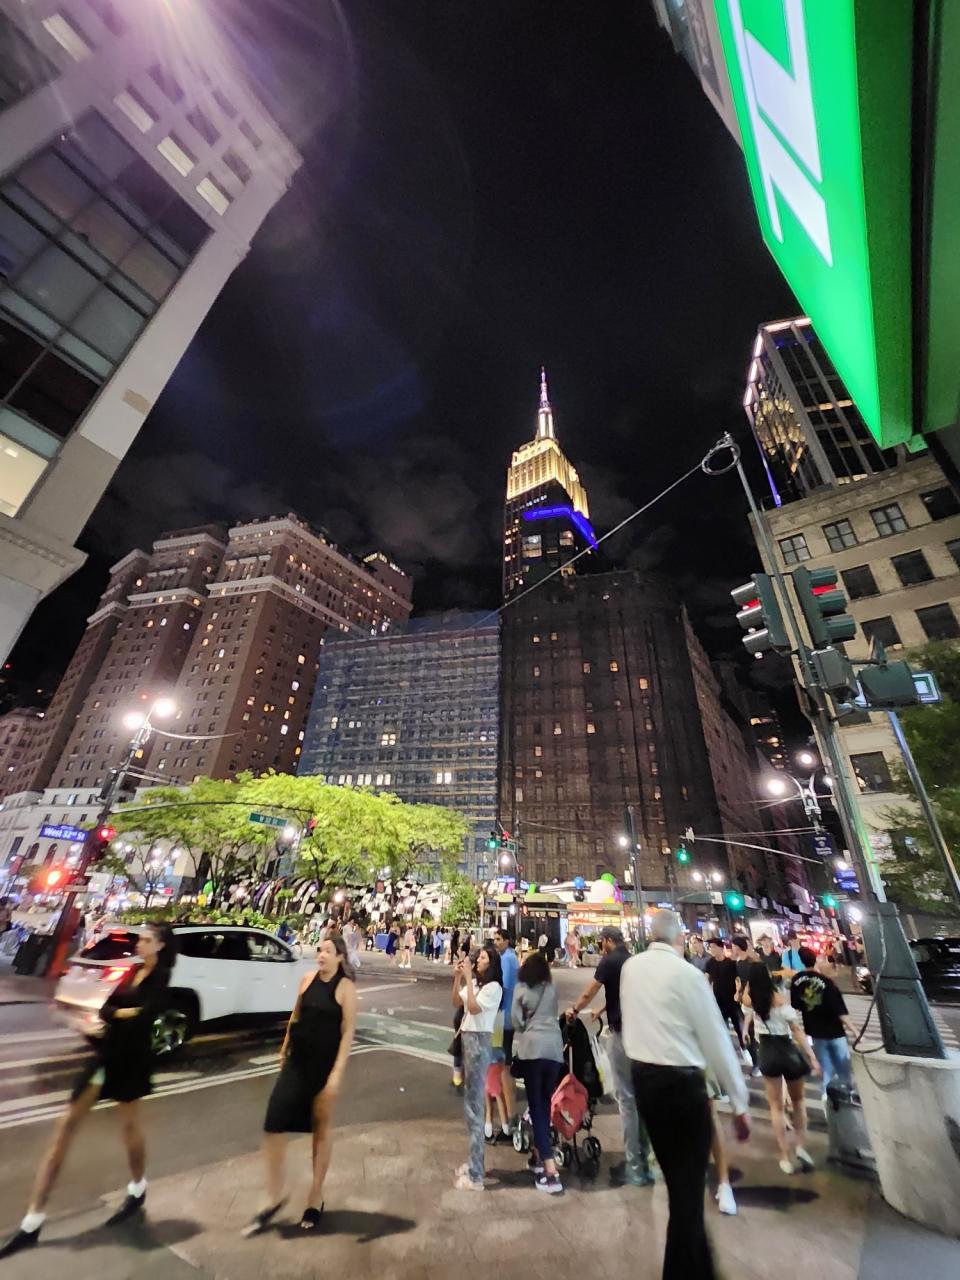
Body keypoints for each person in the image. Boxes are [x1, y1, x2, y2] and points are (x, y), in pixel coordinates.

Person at [1, 924, 177, 1257]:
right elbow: (108, 1007)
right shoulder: (134, 971)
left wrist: (120, 1014)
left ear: (161, 947)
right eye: (140, 938)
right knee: (64, 1131)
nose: (139, 943)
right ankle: (32, 1222)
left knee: (130, 1130)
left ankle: (138, 1188)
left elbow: (144, 1017)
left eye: (147, 939)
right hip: (104, 1056)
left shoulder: (160, 979)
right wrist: (118, 1013)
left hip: (130, 1063)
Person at [621, 910, 750, 1280]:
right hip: (682, 1087)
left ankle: (700, 1269)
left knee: (682, 1187)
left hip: (644, 1081)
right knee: (687, 1193)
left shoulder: (633, 969)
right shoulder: (688, 975)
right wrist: (739, 1103)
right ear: (680, 940)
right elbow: (717, 1042)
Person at [244, 933, 358, 1234]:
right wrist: (284, 1048)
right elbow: (295, 1015)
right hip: (296, 1064)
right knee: (273, 1123)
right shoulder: (307, 979)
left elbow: (347, 1033)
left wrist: (336, 1075)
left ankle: (315, 1195)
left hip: (323, 1067)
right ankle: (274, 1193)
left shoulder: (345, 988)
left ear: (340, 957)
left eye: (328, 951)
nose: (321, 955)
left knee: (320, 1130)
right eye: (319, 950)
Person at [566, 925, 653, 1187]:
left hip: (623, 1036)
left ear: (605, 942)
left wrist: (575, 1009)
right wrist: (602, 1009)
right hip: (643, 1036)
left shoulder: (609, 960)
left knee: (626, 1100)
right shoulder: (633, 960)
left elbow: (589, 990)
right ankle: (646, 1159)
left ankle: (635, 1166)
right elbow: (624, 993)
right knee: (642, 1099)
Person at [742, 962, 819, 1175]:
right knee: (798, 1101)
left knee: (776, 1107)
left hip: (767, 1052)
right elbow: (796, 1030)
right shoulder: (780, 1000)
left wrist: (751, 982)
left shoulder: (751, 1001)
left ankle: (784, 1157)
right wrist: (811, 1056)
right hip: (787, 1050)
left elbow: (745, 996)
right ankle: (800, 1146)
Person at [512, 949, 565, 1193]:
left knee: (537, 1108)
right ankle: (537, 1156)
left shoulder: (521, 989)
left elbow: (517, 1022)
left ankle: (550, 1172)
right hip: (554, 1051)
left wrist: (528, 1024)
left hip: (533, 1051)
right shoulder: (551, 989)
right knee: (544, 1104)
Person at [452, 943, 503, 1190]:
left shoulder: (494, 988)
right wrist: (458, 978)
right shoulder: (480, 986)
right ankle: (475, 1163)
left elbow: (472, 1007)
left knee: (475, 1107)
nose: (478, 961)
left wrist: (470, 978)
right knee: (471, 1107)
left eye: (483, 958)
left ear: (491, 964)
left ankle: (476, 1176)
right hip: (469, 1040)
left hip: (479, 1043)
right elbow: (456, 1002)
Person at [790, 945, 854, 1092]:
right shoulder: (827, 981)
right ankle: (849, 1092)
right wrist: (855, 1032)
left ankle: (828, 1097)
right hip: (835, 1030)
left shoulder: (796, 980)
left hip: (814, 1030)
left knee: (825, 1067)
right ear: (816, 960)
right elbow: (839, 1010)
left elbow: (796, 1004)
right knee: (843, 1066)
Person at [705, 938, 750, 1064]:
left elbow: (737, 980)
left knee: (738, 1025)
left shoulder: (731, 963)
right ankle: (726, 1052)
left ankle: (744, 1047)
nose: (712, 950)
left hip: (732, 1000)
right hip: (718, 1000)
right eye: (711, 947)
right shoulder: (710, 963)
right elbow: (707, 979)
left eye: (714, 947)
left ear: (721, 948)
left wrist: (737, 992)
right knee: (722, 1027)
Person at [492, 928, 519, 1125]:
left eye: (499, 939)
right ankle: (508, 1109)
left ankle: (510, 1113)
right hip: (507, 1014)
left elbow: (505, 985)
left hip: (504, 1016)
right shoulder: (509, 957)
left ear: (507, 941)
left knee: (503, 1063)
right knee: (503, 1061)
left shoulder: (508, 959)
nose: (496, 942)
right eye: (495, 939)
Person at [732, 935, 762, 1078]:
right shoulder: (739, 963)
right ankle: (757, 1062)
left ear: (738, 947)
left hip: (755, 1001)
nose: (731, 949)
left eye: (733, 946)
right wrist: (738, 992)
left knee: (758, 1031)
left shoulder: (752, 963)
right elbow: (740, 982)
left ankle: (762, 1061)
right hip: (744, 1002)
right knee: (748, 1033)